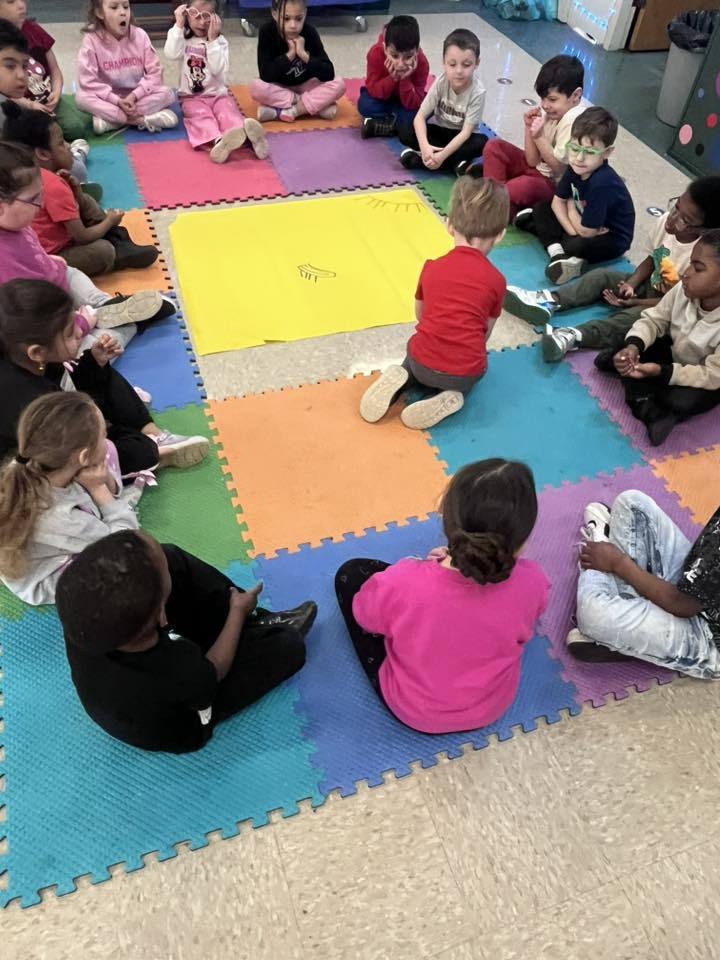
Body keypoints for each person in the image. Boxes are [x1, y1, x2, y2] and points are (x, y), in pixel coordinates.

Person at [335, 459, 549, 734]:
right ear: (523, 537)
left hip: (415, 710)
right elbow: (530, 617)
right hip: (490, 706)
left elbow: (364, 616)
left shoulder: (403, 582)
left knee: (351, 574)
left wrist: (418, 571)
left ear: (448, 522)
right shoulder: (534, 581)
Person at [56, 529, 318, 753]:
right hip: (183, 716)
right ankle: (242, 615)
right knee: (288, 646)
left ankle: (238, 610)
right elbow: (213, 671)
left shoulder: (82, 613)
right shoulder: (175, 667)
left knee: (171, 558)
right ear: (160, 611)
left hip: (147, 664)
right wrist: (236, 614)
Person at [0, 279, 210, 477]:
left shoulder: (30, 356)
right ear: (36, 352)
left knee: (96, 365)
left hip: (56, 420)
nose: (79, 332)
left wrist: (95, 363)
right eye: (68, 333)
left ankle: (153, 433)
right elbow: (63, 458)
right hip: (36, 463)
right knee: (136, 451)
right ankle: (156, 453)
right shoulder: (30, 402)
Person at [505, 177, 720, 362]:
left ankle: (574, 335)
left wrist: (636, 302)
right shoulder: (665, 222)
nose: (672, 219)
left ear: (705, 229)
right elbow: (653, 258)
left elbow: (673, 304)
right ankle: (550, 300)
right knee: (601, 275)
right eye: (676, 206)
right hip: (651, 286)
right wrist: (632, 283)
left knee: (633, 318)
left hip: (671, 308)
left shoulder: (701, 258)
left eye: (684, 220)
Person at [360, 176, 508, 430]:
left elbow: (421, 315)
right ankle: (448, 396)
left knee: (417, 349)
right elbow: (485, 332)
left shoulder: (432, 268)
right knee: (474, 369)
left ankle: (404, 377)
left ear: (450, 226)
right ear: (500, 236)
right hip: (462, 372)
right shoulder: (496, 281)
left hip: (421, 363)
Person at [0, 140, 174, 347]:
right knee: (90, 351)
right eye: (34, 199)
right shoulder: (5, 262)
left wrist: (51, 262)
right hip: (44, 320)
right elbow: (33, 319)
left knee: (71, 272)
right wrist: (80, 324)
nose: (40, 205)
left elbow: (33, 252)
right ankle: (122, 323)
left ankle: (104, 305)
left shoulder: (16, 223)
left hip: (53, 285)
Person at [0, 392, 142, 605]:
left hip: (54, 531)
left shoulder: (39, 465)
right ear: (84, 457)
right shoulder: (63, 517)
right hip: (48, 576)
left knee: (110, 453)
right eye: (104, 434)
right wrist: (100, 492)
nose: (107, 439)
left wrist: (99, 486)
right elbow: (122, 544)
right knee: (132, 562)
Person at [567, 491, 720, 679]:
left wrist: (618, 563)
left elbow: (682, 603)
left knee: (591, 613)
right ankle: (623, 629)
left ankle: (601, 549)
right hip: (693, 585)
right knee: (632, 503)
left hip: (708, 635)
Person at [2, 101, 158, 275]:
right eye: (61, 143)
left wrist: (75, 194)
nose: (69, 146)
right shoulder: (53, 184)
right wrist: (109, 221)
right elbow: (82, 237)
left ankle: (118, 239)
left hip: (47, 244)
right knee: (102, 251)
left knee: (86, 199)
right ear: (43, 153)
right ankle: (117, 253)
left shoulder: (37, 178)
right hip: (53, 255)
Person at [604, 229, 720, 446]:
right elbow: (654, 319)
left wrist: (662, 371)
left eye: (698, 268)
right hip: (673, 353)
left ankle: (647, 404)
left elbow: (712, 374)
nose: (685, 272)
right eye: (690, 262)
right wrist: (633, 347)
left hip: (705, 376)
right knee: (624, 345)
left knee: (680, 400)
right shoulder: (684, 290)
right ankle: (645, 395)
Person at [518, 106, 635, 286]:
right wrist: (574, 228)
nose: (579, 157)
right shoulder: (576, 167)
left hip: (611, 239)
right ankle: (558, 253)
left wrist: (571, 210)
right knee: (542, 206)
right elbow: (558, 202)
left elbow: (587, 233)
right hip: (583, 224)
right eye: (574, 148)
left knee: (577, 245)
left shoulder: (602, 183)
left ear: (607, 153)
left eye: (589, 152)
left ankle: (546, 234)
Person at [482, 55, 584, 219]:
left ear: (576, 96)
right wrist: (529, 128)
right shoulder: (552, 110)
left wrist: (539, 137)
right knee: (494, 147)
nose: (544, 104)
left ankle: (495, 201)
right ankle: (498, 201)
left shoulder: (574, 120)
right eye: (542, 98)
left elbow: (559, 169)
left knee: (522, 186)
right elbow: (532, 161)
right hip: (537, 170)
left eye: (552, 99)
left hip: (553, 184)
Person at [165, 1, 269, 162]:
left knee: (229, 114)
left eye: (207, 16)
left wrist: (212, 41)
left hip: (218, 96)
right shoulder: (183, 39)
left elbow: (219, 71)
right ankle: (219, 142)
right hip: (192, 98)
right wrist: (178, 24)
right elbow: (171, 53)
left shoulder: (220, 43)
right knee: (202, 119)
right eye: (195, 14)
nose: (201, 22)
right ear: (186, 13)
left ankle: (252, 138)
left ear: (216, 18)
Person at [76, 0, 177, 135]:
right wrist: (116, 101)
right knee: (81, 98)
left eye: (126, 7)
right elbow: (88, 81)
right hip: (108, 98)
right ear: (100, 13)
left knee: (168, 93)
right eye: (114, 7)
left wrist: (134, 96)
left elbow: (154, 74)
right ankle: (141, 120)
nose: (123, 12)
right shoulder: (91, 40)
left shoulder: (140, 35)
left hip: (137, 98)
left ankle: (112, 121)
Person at [398, 28, 486, 177]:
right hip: (440, 133)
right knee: (405, 129)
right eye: (452, 64)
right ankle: (457, 164)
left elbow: (465, 133)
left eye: (466, 65)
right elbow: (419, 117)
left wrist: (441, 156)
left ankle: (421, 162)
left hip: (462, 138)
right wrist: (425, 147)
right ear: (443, 62)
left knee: (482, 142)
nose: (458, 71)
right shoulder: (441, 82)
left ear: (476, 63)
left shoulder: (478, 92)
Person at [0, 3, 90, 147]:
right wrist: (29, 104)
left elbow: (55, 70)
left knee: (76, 128)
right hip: (21, 106)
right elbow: (4, 94)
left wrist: (56, 91)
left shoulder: (34, 30)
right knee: (35, 138)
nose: (21, 5)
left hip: (47, 99)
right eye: (11, 1)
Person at [250, 0, 345, 124]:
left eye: (299, 19)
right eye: (286, 19)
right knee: (255, 87)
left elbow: (328, 73)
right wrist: (289, 55)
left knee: (339, 85)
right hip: (280, 87)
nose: (293, 25)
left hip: (307, 86)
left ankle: (287, 111)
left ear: (305, 14)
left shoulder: (309, 32)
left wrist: (304, 55)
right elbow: (266, 75)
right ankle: (313, 106)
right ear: (274, 14)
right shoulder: (267, 32)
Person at [358, 15, 429, 140]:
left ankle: (384, 126)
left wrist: (405, 79)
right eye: (394, 56)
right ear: (385, 48)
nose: (400, 64)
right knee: (364, 104)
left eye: (408, 57)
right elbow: (373, 90)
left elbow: (413, 103)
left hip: (406, 104)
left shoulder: (422, 62)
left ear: (416, 50)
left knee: (427, 109)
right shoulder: (375, 53)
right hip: (383, 100)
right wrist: (393, 78)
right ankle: (398, 126)